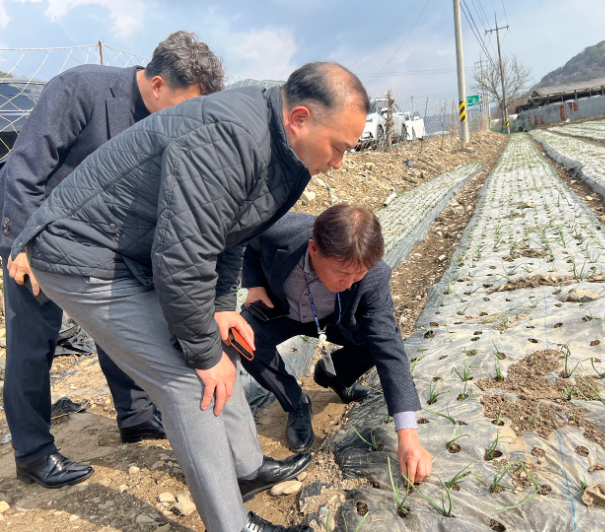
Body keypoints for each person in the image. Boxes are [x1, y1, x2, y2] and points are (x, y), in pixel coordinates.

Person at [9, 61, 368, 532]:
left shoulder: (284, 149)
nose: (340, 161)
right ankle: (232, 525)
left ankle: (245, 468)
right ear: (299, 118)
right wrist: (200, 350)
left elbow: (235, 228)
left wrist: (220, 309)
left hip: (134, 250)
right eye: (338, 146)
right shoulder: (230, 137)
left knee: (223, 344)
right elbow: (182, 257)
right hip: (80, 252)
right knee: (188, 379)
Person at [0, 31, 225, 490]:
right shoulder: (81, 89)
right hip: (39, 235)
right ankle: (33, 452)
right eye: (186, 107)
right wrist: (21, 245)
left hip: (105, 242)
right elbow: (23, 170)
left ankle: (137, 416)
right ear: (158, 85)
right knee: (33, 341)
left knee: (124, 329)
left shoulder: (169, 123)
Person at [239, 205, 432, 484]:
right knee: (244, 336)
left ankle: (336, 375)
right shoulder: (278, 231)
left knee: (376, 340)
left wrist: (409, 435)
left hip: (334, 320)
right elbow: (247, 243)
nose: (350, 282)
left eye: (358, 274)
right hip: (283, 310)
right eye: (342, 272)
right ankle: (296, 401)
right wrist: (254, 285)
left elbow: (389, 345)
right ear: (313, 250)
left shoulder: (374, 276)